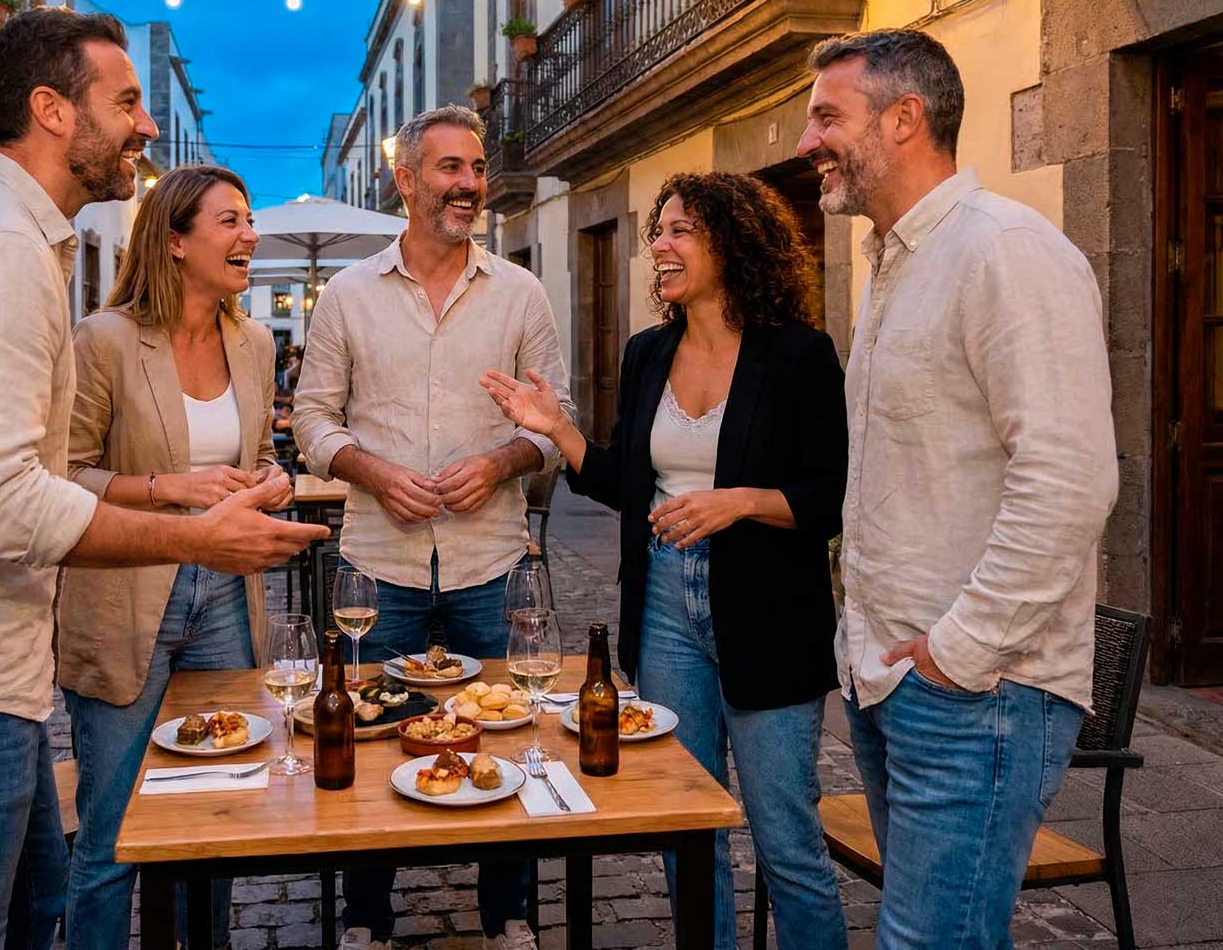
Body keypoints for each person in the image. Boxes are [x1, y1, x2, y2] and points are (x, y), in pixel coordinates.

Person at [0, 8, 328, 950]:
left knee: (34, 903)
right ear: (51, 110)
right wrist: (192, 530)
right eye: (125, 102)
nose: (147, 125)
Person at [797, 28, 1119, 948]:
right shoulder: (895, 263)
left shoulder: (1006, 251)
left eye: (827, 115)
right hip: (897, 677)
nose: (809, 139)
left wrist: (958, 651)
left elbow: (1069, 479)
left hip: (978, 689)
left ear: (905, 119)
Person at [482, 172, 848, 950]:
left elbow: (830, 493)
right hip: (663, 605)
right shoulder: (648, 353)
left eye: (680, 230)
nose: (659, 246)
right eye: (658, 231)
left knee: (785, 836)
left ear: (733, 241)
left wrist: (739, 500)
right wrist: (557, 429)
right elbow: (623, 481)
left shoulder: (798, 354)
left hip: (771, 610)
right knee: (687, 821)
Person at [293, 104, 572, 950]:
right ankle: (368, 914)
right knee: (371, 734)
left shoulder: (521, 292)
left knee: (507, 725)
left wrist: (498, 464)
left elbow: (554, 424)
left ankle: (508, 911)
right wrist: (372, 473)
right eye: (450, 168)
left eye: (478, 167)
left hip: (492, 558)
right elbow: (312, 418)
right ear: (405, 180)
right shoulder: (348, 295)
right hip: (378, 565)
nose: (470, 184)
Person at [57, 165, 288, 948]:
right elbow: (61, 476)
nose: (249, 234)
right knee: (115, 826)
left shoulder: (253, 343)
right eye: (230, 220)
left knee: (217, 809)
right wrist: (167, 488)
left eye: (248, 218)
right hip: (124, 595)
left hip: (227, 594)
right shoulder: (104, 339)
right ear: (176, 240)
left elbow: (256, 453)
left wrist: (271, 479)